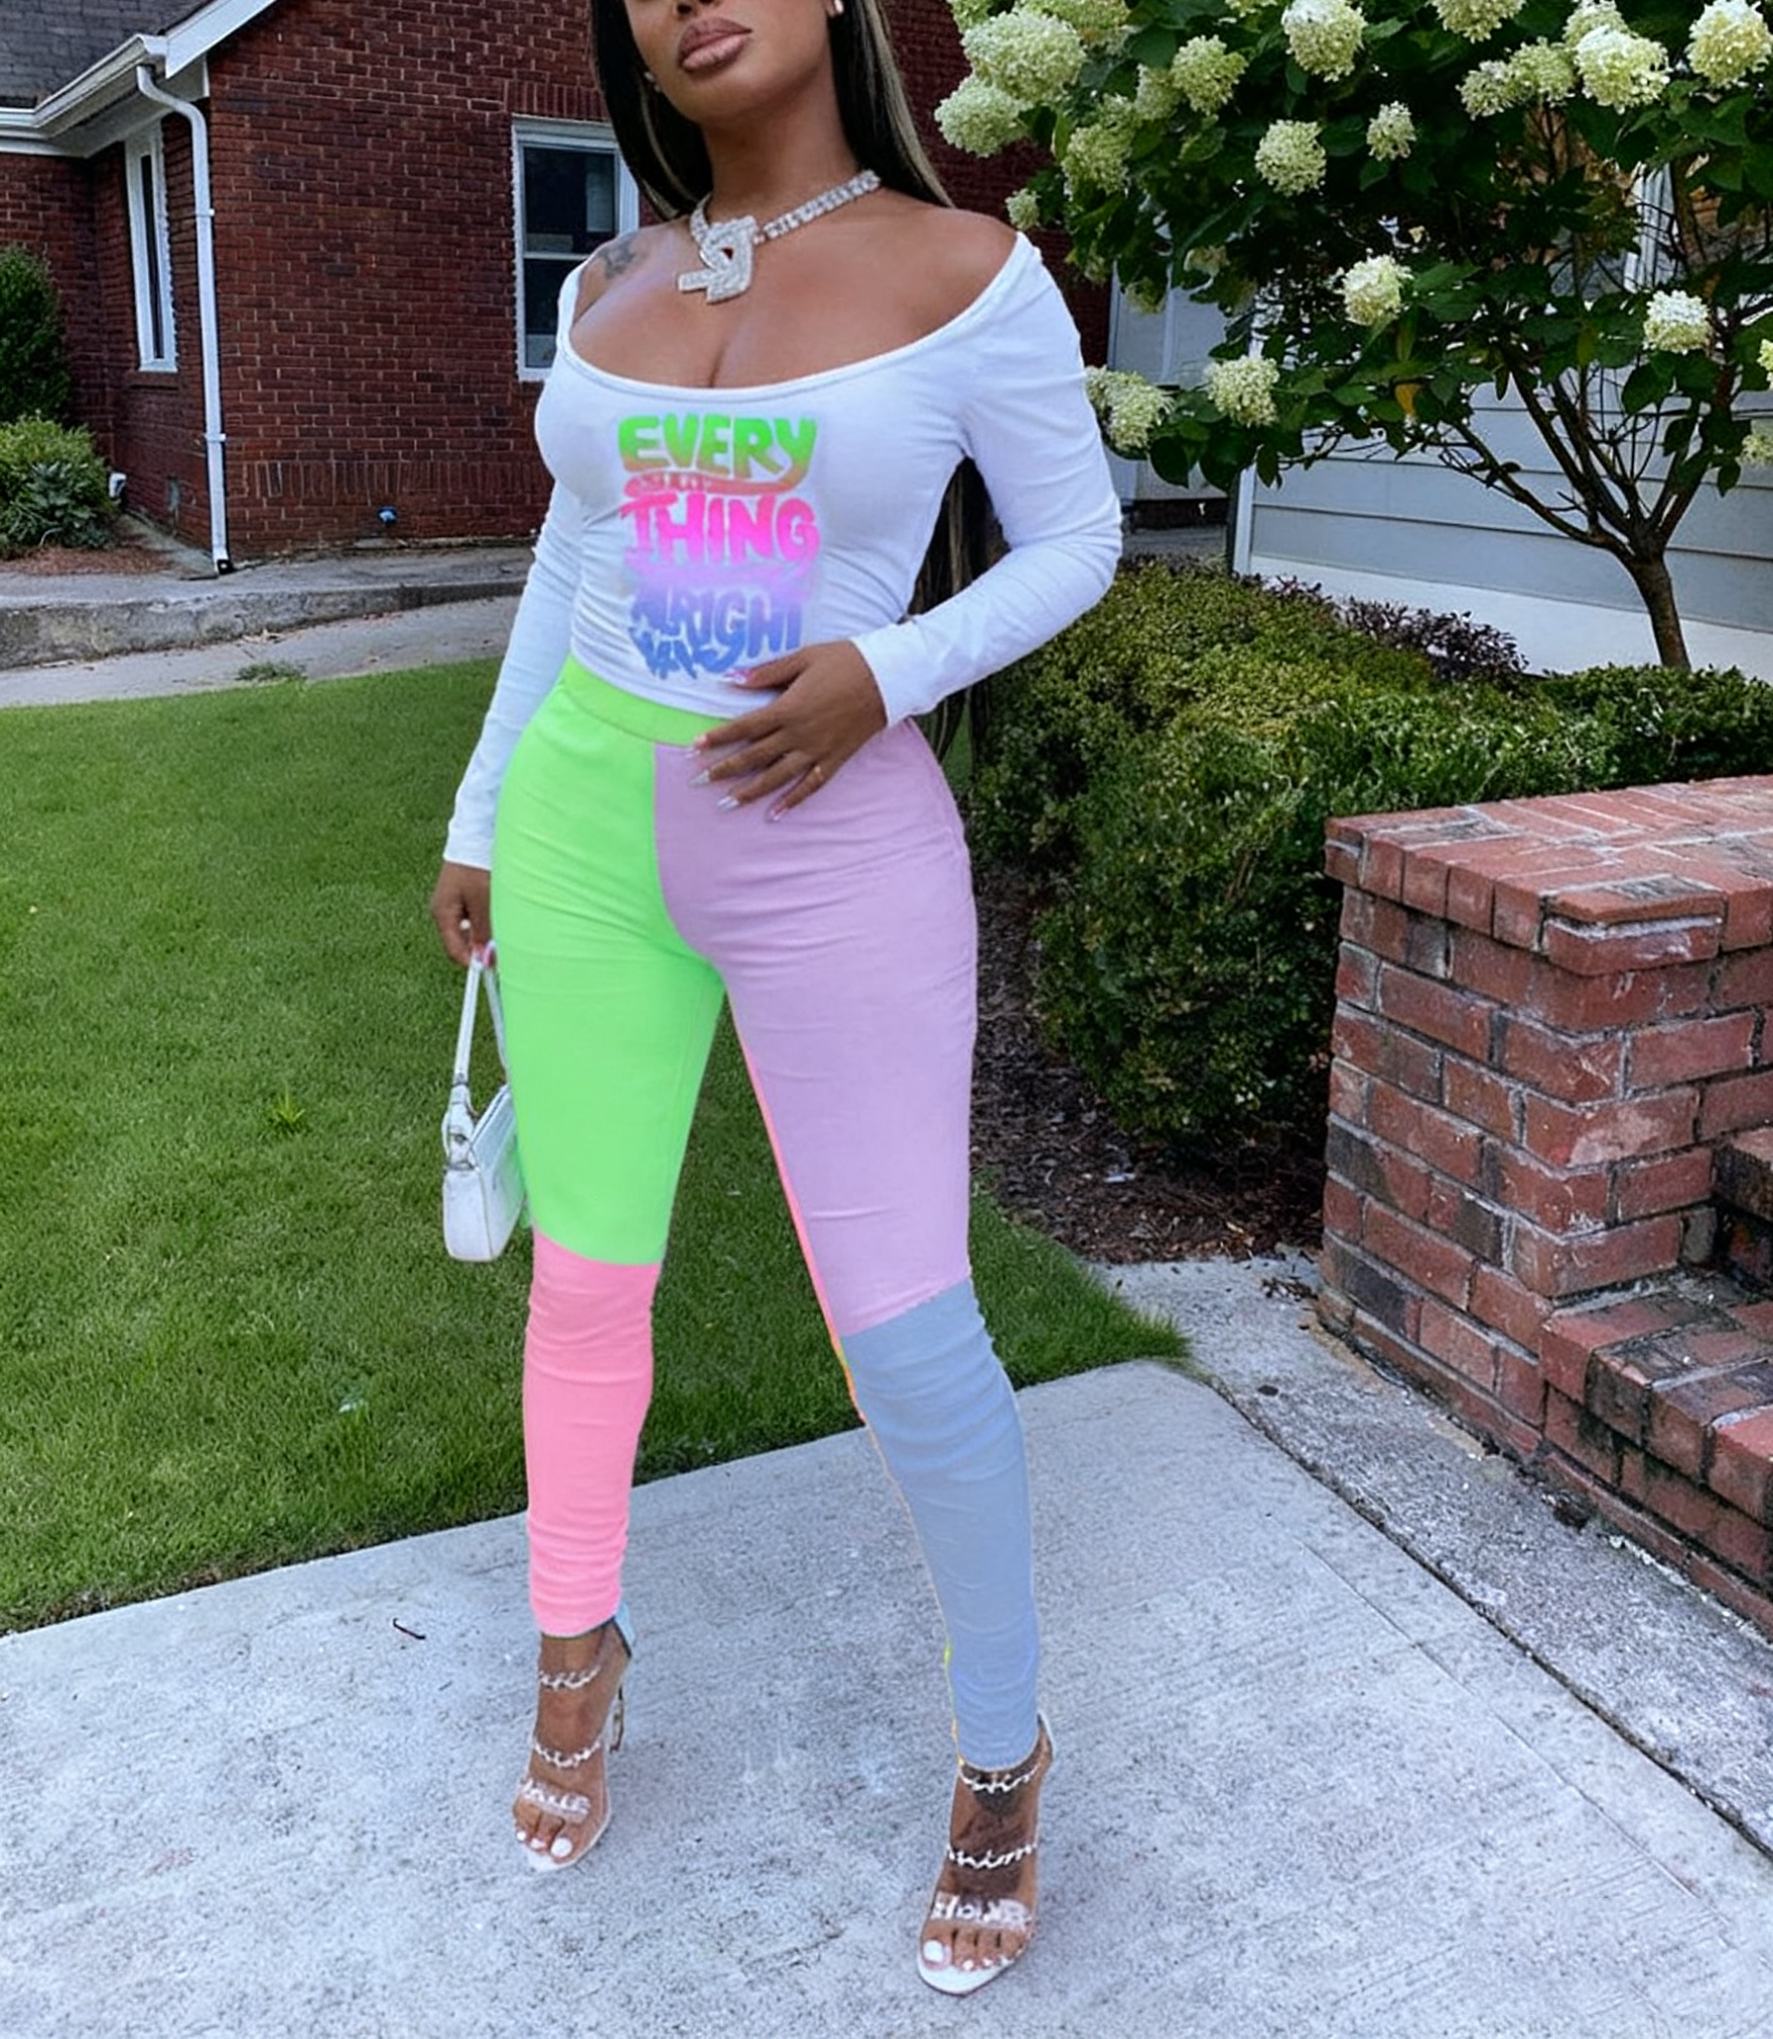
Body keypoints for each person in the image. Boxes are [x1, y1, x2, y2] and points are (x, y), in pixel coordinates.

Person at [429, 0, 1120, 1996]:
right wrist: (481, 811)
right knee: (587, 1280)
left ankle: (1002, 1744)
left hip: (830, 832)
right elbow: (572, 557)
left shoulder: (966, 271)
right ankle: (577, 1653)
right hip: (582, 827)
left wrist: (883, 672)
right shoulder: (613, 280)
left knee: (906, 1329)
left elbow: (1077, 538)